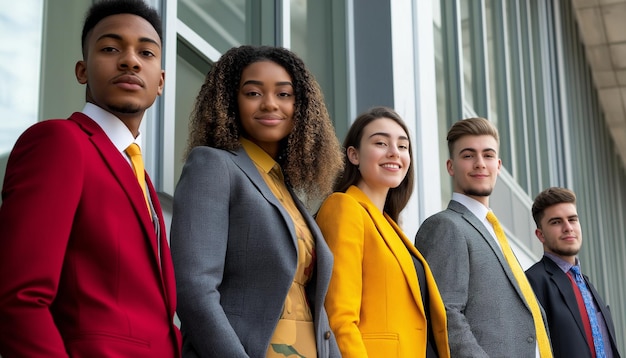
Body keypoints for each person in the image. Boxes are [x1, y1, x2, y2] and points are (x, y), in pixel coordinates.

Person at [0, 0, 181, 356]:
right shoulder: (60, 142)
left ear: (160, 82)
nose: (130, 60)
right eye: (111, 48)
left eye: (146, 52)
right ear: (82, 70)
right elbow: (18, 297)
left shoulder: (139, 176)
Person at [170, 45, 343, 357]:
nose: (269, 104)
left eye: (284, 94)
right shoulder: (213, 165)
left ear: (301, 106)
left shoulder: (287, 191)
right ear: (230, 102)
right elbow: (194, 290)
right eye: (252, 93)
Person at [315, 106, 450, 357]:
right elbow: (339, 317)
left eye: (402, 146)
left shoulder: (391, 226)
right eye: (380, 143)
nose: (394, 153)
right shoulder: (344, 207)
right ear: (354, 155)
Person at [414, 117, 552, 357]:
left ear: (498, 165)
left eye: (488, 155)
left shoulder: (495, 232)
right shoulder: (445, 226)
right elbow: (446, 314)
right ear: (450, 166)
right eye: (468, 155)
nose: (480, 164)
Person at [526, 187, 622, 358]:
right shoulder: (532, 282)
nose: (568, 228)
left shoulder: (587, 284)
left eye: (572, 219)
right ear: (540, 235)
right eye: (556, 222)